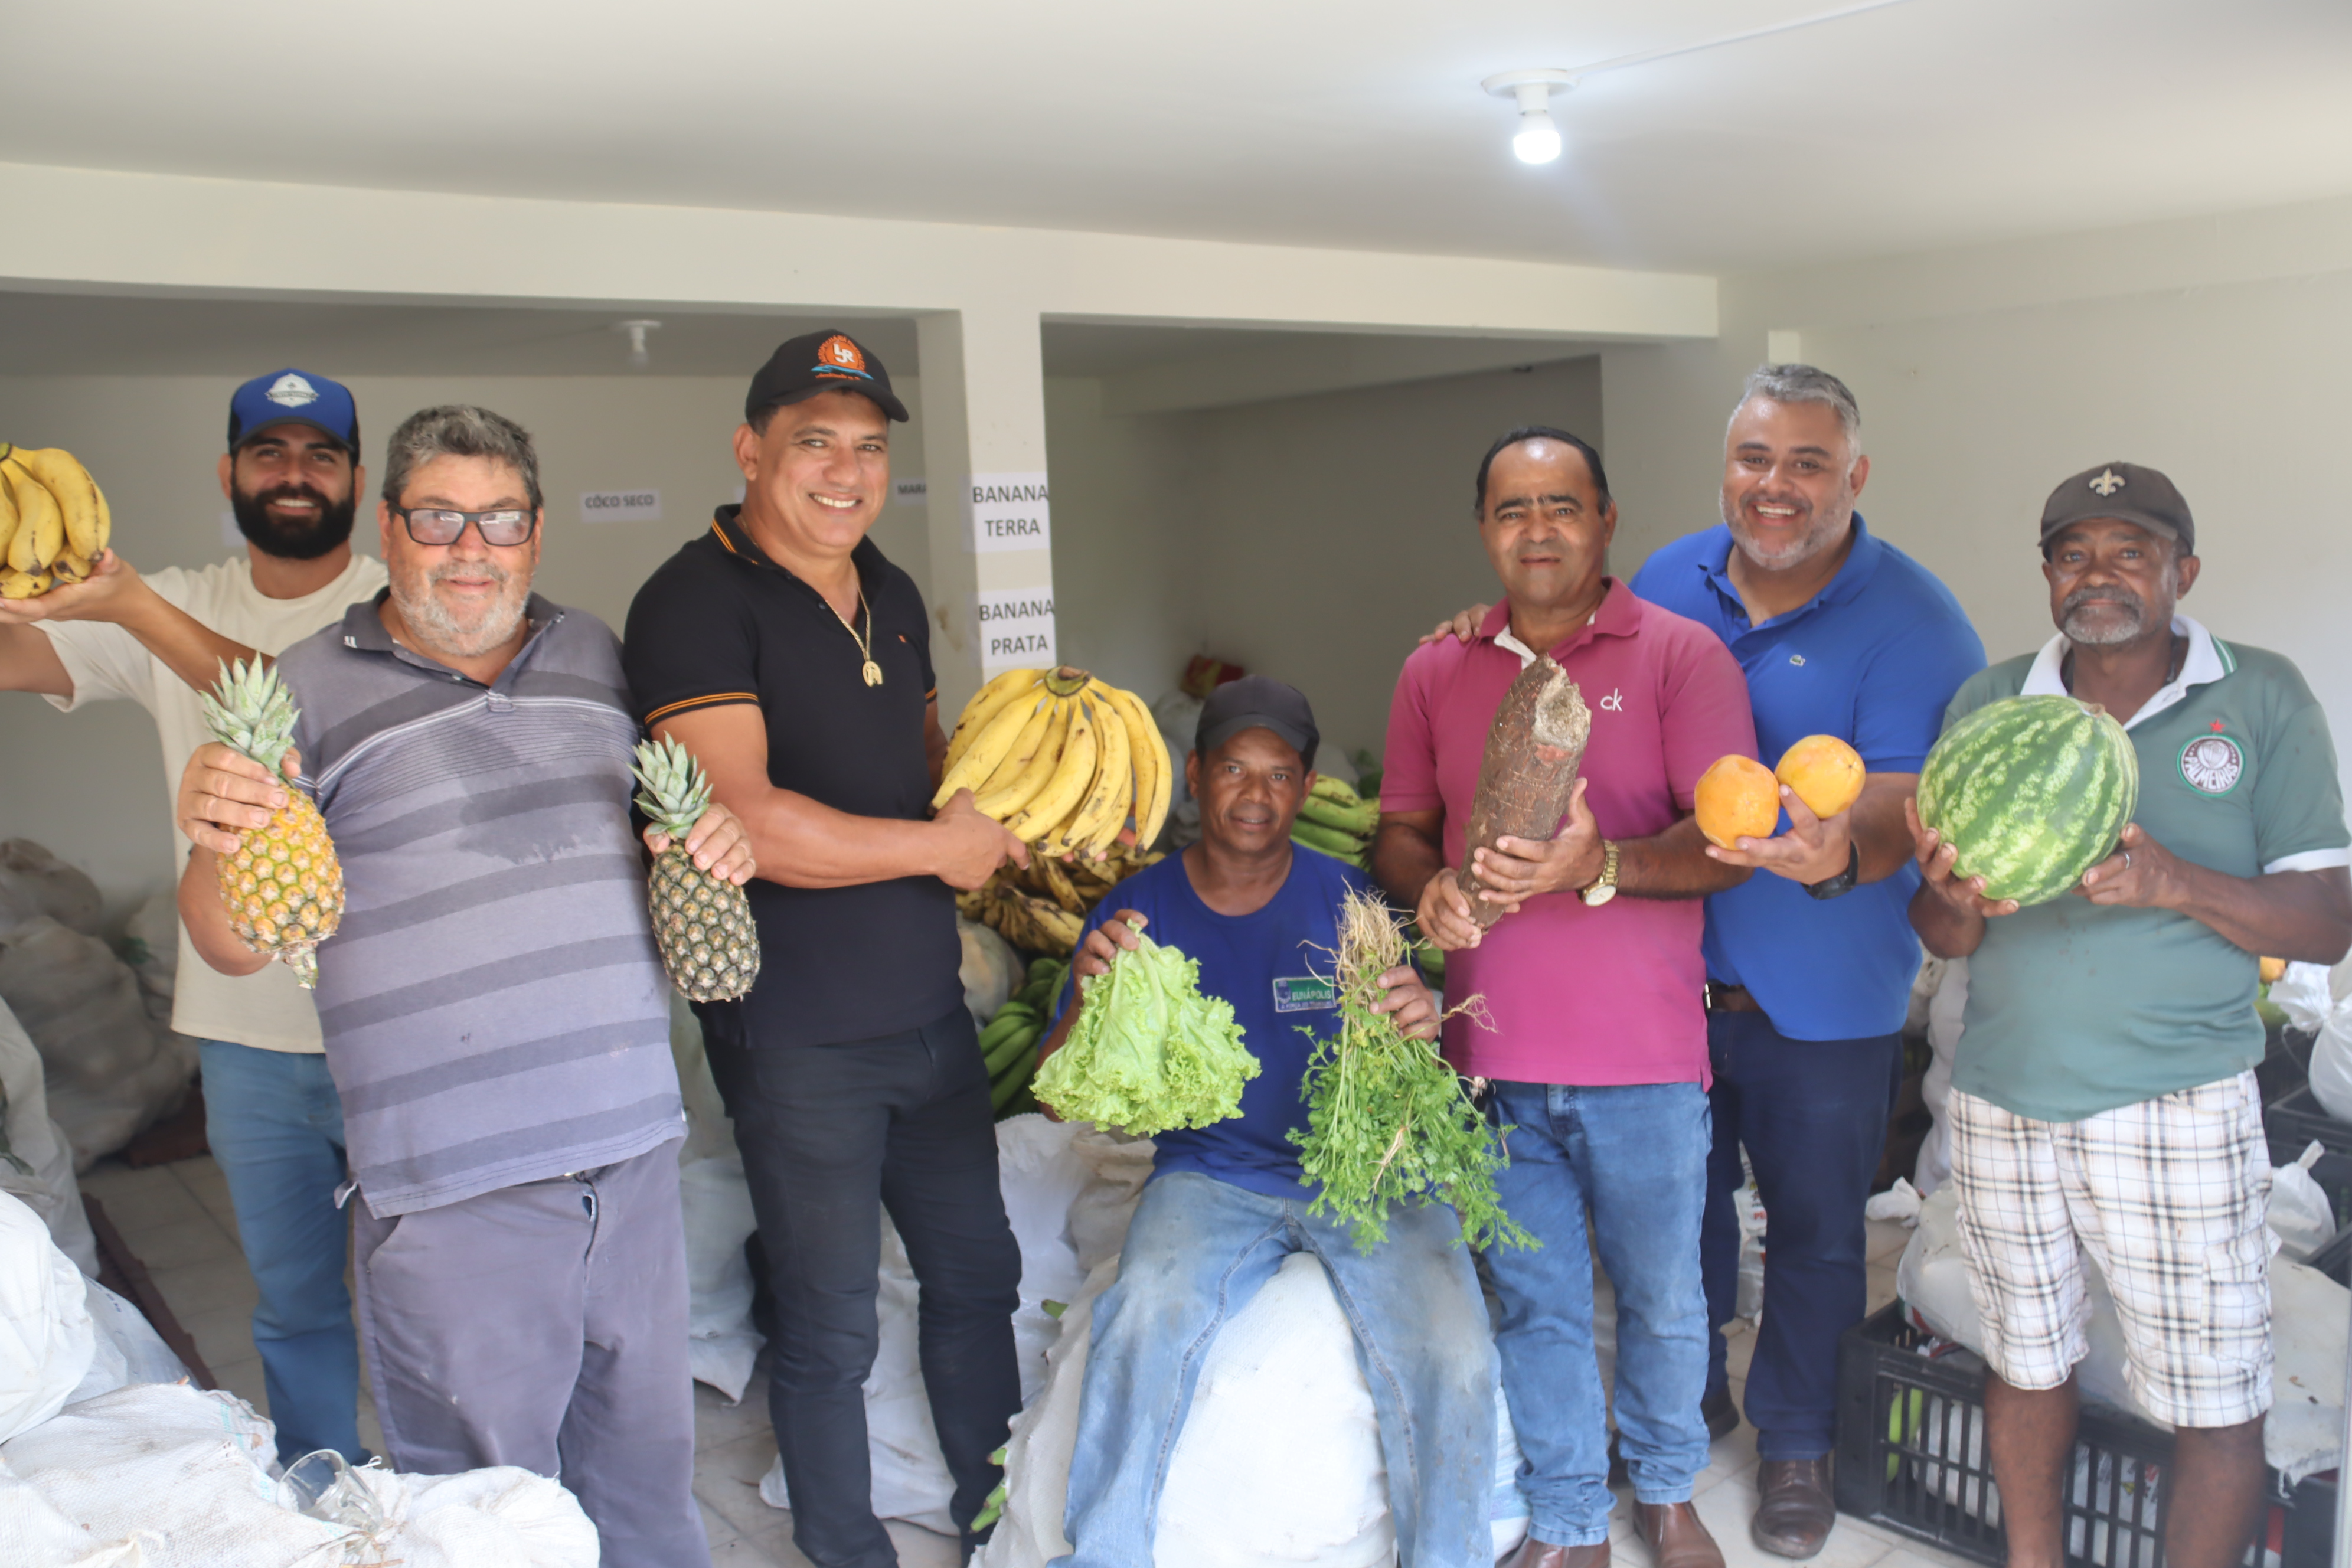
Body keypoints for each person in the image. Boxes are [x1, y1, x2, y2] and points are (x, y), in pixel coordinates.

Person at [173, 404, 746, 1568]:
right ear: (391, 526)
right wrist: (219, 836)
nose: (469, 546)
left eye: (499, 519)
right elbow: (230, 942)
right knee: (485, 1522)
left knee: (649, 1498)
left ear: (535, 533)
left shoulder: (595, 653)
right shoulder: (304, 685)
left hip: (631, 1154)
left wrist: (714, 840)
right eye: (438, 517)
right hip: (452, 1185)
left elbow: (649, 835)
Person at [621, 330, 1027, 1568]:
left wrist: (1024, 811)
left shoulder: (890, 588)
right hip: (797, 1033)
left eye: (868, 447)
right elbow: (739, 812)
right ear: (752, 450)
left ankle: (998, 1513)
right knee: (830, 1319)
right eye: (814, 443)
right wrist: (935, 852)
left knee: (977, 1277)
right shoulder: (692, 599)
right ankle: (850, 1548)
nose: (845, 472)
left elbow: (922, 762)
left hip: (925, 1009)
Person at [1907, 462, 2351, 1568]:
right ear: (2049, 574)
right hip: (2005, 1099)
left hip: (2179, 1106)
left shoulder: (2263, 696)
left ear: (2180, 572)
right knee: (2026, 1361)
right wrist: (1950, 896)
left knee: (2214, 1390)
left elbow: (2329, 922)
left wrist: (2177, 883)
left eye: (2130, 552)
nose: (2099, 575)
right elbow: (1945, 931)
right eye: (2074, 554)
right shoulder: (1991, 702)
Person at [1374, 427, 1756, 1568]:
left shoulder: (1683, 657)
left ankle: (1671, 1491)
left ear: (1606, 519)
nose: (1536, 529)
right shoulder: (1436, 668)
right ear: (1484, 529)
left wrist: (1600, 867)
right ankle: (1572, 1519)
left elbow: (1729, 848)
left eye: (1561, 505)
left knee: (1664, 1299)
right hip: (1492, 1062)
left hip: (1642, 1059)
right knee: (1534, 1306)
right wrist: (1431, 883)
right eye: (1511, 509)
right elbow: (1398, 831)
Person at [0, 368, 386, 1464]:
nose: (296, 473)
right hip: (246, 1040)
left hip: (391, 1031)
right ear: (231, 474)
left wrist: (130, 605)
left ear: (356, 477)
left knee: (432, 1300)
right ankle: (329, 1498)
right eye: (271, 452)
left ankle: (462, 1508)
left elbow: (312, 712)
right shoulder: (179, 595)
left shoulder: (395, 606)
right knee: (295, 1308)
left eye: (321, 454)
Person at [1043, 676, 1498, 1568]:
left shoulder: (1355, 903)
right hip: (1212, 1178)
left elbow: (1426, 1070)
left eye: (1280, 775)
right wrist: (1088, 1003)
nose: (1255, 796)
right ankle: (1101, 1558)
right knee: (1139, 1318)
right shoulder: (1140, 913)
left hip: (1371, 1178)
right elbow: (1059, 1097)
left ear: (1307, 785)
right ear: (1197, 773)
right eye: (1235, 771)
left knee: (1456, 1351)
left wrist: (1421, 1020)